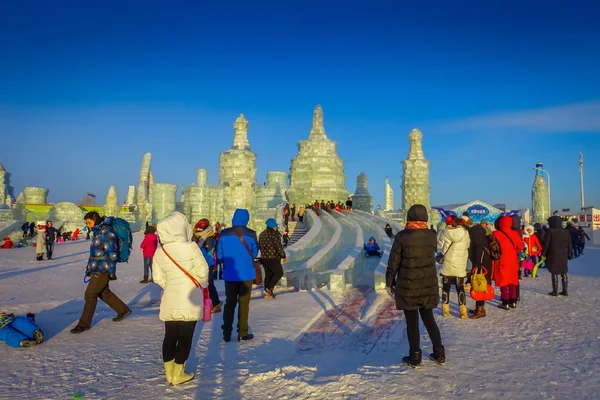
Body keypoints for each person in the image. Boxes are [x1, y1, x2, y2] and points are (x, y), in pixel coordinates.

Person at [152, 212, 209, 386]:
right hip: (189, 299)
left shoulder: (160, 251)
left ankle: (169, 373)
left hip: (170, 297)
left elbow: (157, 278)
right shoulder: (191, 247)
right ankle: (178, 373)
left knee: (170, 335)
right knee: (185, 337)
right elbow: (203, 271)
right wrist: (200, 284)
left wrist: (169, 286)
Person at [386, 204, 444, 368]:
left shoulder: (402, 236)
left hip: (408, 285)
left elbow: (394, 260)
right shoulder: (431, 236)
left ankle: (415, 356)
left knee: (412, 323)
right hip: (427, 284)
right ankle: (439, 353)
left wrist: (389, 281)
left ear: (409, 217)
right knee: (429, 319)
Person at [70, 212, 131, 334]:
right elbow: (95, 253)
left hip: (103, 269)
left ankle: (84, 324)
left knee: (90, 294)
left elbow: (112, 253)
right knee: (103, 292)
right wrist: (89, 268)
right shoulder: (98, 232)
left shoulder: (106, 232)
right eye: (86, 223)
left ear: (95, 220)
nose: (88, 225)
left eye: (89, 222)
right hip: (97, 267)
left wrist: (111, 271)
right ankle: (123, 310)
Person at [217, 209, 258, 342]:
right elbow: (255, 253)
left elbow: (220, 254)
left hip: (230, 273)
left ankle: (227, 333)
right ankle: (242, 332)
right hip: (246, 274)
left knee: (230, 304)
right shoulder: (251, 234)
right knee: (244, 303)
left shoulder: (224, 233)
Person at [437, 216, 471, 319]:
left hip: (448, 263)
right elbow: (467, 246)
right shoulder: (466, 233)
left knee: (446, 288)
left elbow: (439, 246)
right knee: (460, 288)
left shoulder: (446, 232)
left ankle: (446, 310)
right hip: (460, 264)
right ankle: (463, 312)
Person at [492, 216, 524, 309]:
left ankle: (505, 302)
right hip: (513, 260)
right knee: (513, 280)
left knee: (503, 281)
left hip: (501, 260)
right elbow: (521, 247)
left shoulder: (496, 233)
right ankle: (513, 301)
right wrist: (513, 250)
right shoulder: (515, 233)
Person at [194, 219, 223, 313]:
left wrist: (195, 251)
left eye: (200, 228)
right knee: (200, 285)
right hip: (199, 263)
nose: (198, 229)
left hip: (208, 263)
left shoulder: (209, 237)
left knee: (209, 284)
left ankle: (215, 303)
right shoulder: (197, 236)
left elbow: (209, 252)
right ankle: (204, 302)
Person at [468, 220, 493, 318]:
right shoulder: (484, 240)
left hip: (481, 267)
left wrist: (477, 266)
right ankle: (480, 308)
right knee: (481, 287)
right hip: (485, 266)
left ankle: (480, 310)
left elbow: (479, 255)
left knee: (479, 287)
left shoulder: (478, 243)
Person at [543, 216, 572, 296]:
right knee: (564, 271)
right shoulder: (566, 231)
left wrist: (543, 254)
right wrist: (569, 253)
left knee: (554, 272)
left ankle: (555, 291)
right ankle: (565, 290)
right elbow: (569, 244)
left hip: (553, 254)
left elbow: (546, 244)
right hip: (563, 254)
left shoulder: (550, 231)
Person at [258, 218, 287, 299]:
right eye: (275, 226)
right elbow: (278, 246)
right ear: (273, 226)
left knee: (269, 275)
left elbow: (260, 246)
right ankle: (268, 288)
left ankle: (268, 291)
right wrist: (283, 256)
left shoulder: (262, 234)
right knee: (279, 273)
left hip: (264, 258)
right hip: (273, 257)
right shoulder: (274, 234)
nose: (276, 228)